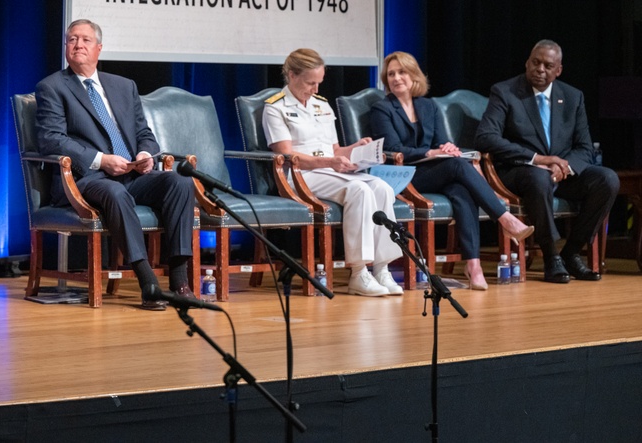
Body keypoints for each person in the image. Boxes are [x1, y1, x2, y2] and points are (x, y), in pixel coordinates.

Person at [35, 19, 196, 310]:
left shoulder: (123, 86)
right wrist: (101, 160)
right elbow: (51, 139)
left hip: (132, 173)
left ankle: (179, 278)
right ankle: (147, 282)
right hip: (86, 179)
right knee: (115, 193)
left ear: (99, 48)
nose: (78, 45)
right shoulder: (52, 87)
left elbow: (144, 133)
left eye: (85, 40)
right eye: (72, 40)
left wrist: (146, 154)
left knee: (180, 182)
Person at [369, 52, 535, 290]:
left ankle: (473, 265)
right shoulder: (381, 109)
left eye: (402, 72)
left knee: (461, 191)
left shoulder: (428, 106)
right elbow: (392, 149)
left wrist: (446, 147)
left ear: (413, 75)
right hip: (402, 174)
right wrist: (430, 153)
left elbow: (441, 141)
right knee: (458, 166)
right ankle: (505, 219)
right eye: (391, 74)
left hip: (430, 173)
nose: (396, 78)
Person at [475, 40, 619, 283]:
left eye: (548, 65)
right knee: (538, 176)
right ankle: (551, 256)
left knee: (607, 179)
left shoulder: (573, 97)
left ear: (558, 70)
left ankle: (571, 252)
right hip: (519, 173)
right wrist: (538, 159)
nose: (540, 69)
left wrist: (563, 166)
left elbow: (585, 148)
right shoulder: (505, 92)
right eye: (536, 62)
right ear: (527, 63)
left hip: (560, 174)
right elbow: (485, 138)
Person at [262, 48, 403, 296]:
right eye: (310, 83)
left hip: (328, 171)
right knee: (359, 189)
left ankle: (381, 268)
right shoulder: (275, 108)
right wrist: (331, 162)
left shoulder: (322, 105)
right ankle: (359, 273)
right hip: (299, 176)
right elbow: (286, 156)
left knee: (382, 187)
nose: (315, 89)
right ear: (292, 75)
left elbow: (335, 149)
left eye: (319, 82)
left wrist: (355, 149)